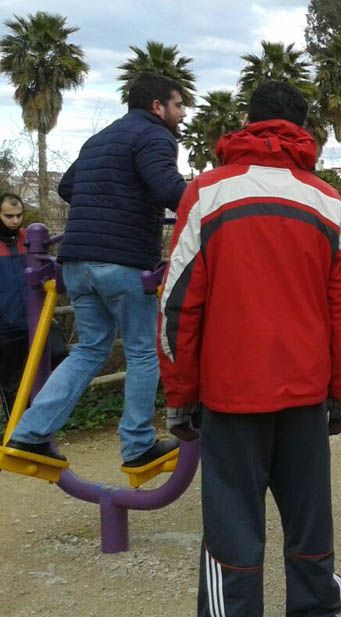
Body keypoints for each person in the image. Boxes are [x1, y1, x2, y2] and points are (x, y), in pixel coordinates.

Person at [158, 81, 341, 616]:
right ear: (303, 130)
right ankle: (316, 608)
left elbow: (179, 304)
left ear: (247, 122)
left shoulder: (206, 193)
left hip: (230, 395)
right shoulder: (327, 200)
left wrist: (180, 395)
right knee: (309, 520)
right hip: (305, 393)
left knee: (232, 531)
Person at [6, 72, 187, 467]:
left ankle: (30, 432)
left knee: (89, 349)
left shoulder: (100, 138)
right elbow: (169, 189)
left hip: (78, 262)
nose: (182, 114)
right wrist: (214, 200)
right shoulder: (156, 136)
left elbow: (68, 186)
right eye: (178, 105)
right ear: (158, 106)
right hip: (122, 263)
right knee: (143, 353)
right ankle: (138, 445)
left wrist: (112, 198)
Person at [0, 193, 27, 407]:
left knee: (58, 355)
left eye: (18, 215)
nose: (15, 220)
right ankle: (15, 435)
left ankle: (37, 430)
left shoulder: (28, 239)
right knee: (12, 384)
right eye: (9, 216)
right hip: (5, 326)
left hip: (34, 320)